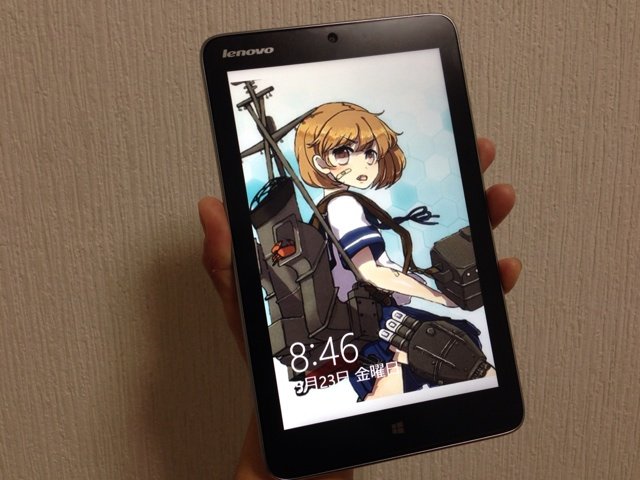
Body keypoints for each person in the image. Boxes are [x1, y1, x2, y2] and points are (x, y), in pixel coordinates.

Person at [199, 138, 521, 479]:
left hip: (355, 336)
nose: (363, 161)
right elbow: (371, 272)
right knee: (456, 356)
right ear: (319, 162)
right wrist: (441, 297)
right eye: (342, 152)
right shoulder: (343, 206)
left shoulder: (323, 212)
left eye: (371, 152)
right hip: (378, 319)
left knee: (390, 384)